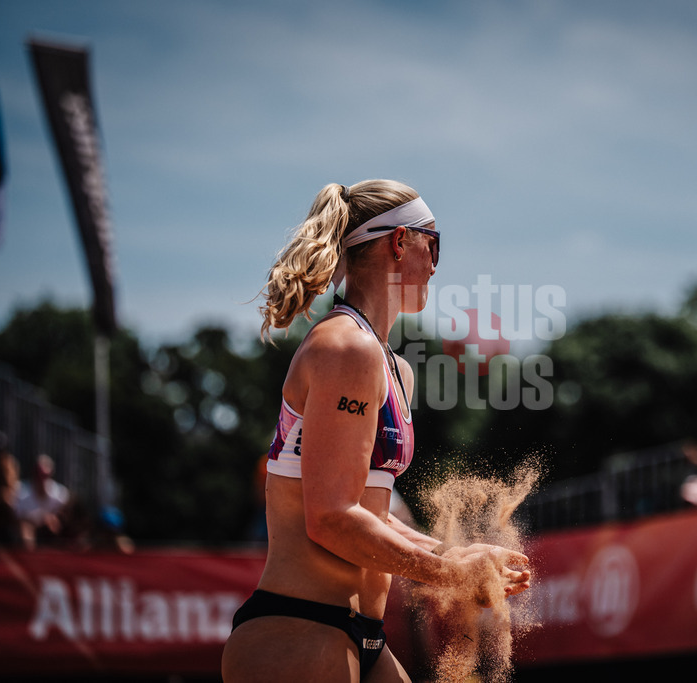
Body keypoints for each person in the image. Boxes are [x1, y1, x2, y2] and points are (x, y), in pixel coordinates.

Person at [221, 180, 531, 683]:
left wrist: (456, 556)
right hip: (300, 630)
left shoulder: (391, 366)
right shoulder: (346, 348)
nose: (434, 265)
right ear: (398, 242)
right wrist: (449, 574)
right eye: (433, 245)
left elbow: (368, 513)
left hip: (358, 638)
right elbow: (331, 519)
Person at [15, 453, 71, 548]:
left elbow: (64, 516)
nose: (42, 480)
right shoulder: (21, 492)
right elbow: (18, 519)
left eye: (45, 476)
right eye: (39, 475)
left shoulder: (60, 493)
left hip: (49, 531)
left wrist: (53, 518)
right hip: (30, 529)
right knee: (25, 531)